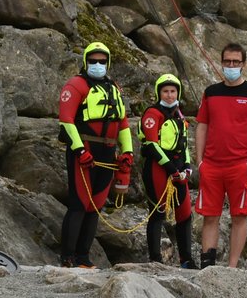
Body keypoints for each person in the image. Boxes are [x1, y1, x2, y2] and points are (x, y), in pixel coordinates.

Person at [57, 41, 133, 268]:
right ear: (85, 62)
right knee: (80, 203)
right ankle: (68, 256)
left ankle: (83, 256)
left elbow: (123, 123)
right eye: (93, 61)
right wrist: (79, 150)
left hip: (108, 152)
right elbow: (66, 120)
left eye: (102, 61)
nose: (98, 65)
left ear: (108, 63)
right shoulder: (76, 85)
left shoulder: (114, 88)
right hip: (85, 149)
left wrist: (127, 151)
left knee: (95, 206)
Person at [193, 44, 247, 269]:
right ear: (222, 62)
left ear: (244, 64)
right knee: (209, 216)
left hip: (239, 165)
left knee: (239, 216)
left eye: (236, 62)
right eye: (228, 61)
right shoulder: (211, 92)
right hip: (212, 165)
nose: (231, 66)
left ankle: (232, 267)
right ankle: (208, 266)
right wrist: (199, 160)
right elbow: (202, 126)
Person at [139, 73, 194, 267]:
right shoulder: (153, 114)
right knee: (158, 212)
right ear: (158, 93)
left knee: (185, 213)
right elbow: (152, 145)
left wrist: (187, 166)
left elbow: (184, 145)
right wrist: (171, 169)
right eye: (165, 91)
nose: (170, 95)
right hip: (158, 167)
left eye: (173, 91)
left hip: (178, 168)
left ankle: (186, 259)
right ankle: (155, 259)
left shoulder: (179, 114)